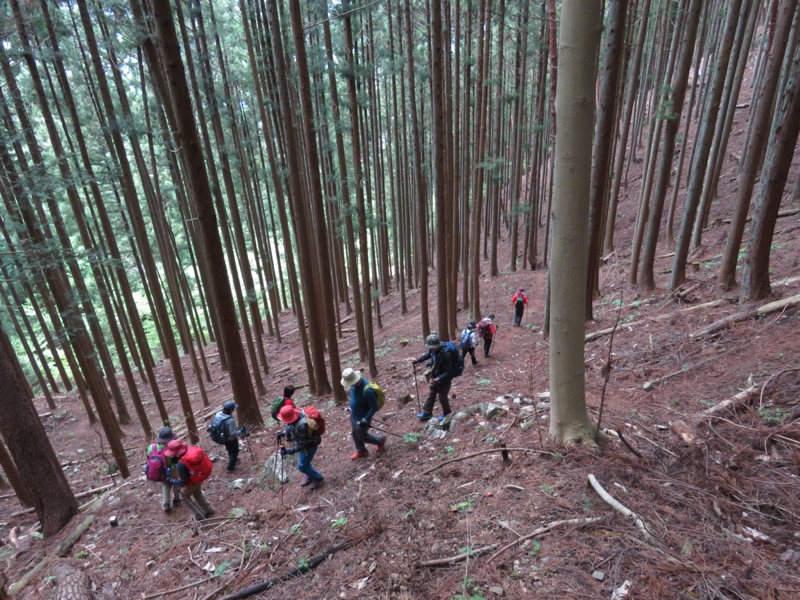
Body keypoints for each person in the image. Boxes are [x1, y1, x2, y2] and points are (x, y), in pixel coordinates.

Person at [340, 368, 386, 460]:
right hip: (354, 415)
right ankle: (361, 450)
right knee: (354, 434)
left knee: (362, 436)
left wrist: (366, 419)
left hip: (363, 417)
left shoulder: (367, 390)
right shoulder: (354, 386)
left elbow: (374, 407)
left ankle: (380, 440)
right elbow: (356, 398)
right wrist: (351, 408)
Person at [276, 405, 324, 490]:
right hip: (304, 444)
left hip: (310, 446)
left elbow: (302, 446)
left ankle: (318, 478)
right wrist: (283, 432)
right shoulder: (295, 418)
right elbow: (290, 427)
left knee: (302, 466)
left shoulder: (302, 426)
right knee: (305, 463)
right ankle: (310, 476)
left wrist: (287, 451)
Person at [411, 334, 457, 422]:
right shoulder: (433, 350)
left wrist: (439, 379)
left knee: (442, 397)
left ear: (438, 345)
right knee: (431, 394)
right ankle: (427, 413)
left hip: (444, 380)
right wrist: (418, 360)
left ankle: (447, 414)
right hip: (435, 376)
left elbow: (449, 372)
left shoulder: (446, 354)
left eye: (432, 347)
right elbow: (427, 355)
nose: (431, 349)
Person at [164, 440, 215, 518]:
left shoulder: (181, 463)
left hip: (192, 482)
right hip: (198, 477)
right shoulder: (189, 453)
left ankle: (199, 514)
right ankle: (209, 509)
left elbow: (184, 480)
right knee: (198, 493)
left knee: (184, 497)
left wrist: (172, 481)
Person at [147, 427, 181, 513]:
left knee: (165, 485)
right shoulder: (170, 448)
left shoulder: (151, 447)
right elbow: (175, 460)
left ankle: (166, 504)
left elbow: (148, 458)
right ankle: (177, 499)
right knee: (176, 482)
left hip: (161, 471)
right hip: (172, 469)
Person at [210, 400, 246, 472]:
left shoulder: (219, 414)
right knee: (235, 451)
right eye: (233, 409)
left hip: (223, 438)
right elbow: (232, 433)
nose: (234, 410)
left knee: (230, 450)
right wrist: (241, 431)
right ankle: (230, 467)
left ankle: (232, 459)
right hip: (231, 439)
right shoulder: (230, 421)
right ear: (230, 410)